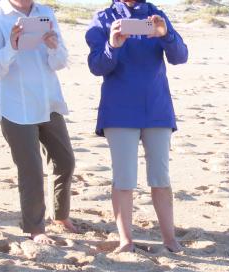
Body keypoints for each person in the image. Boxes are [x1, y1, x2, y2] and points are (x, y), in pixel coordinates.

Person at [85, 0, 187, 253]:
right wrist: (112, 45)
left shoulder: (156, 15)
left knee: (160, 177)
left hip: (157, 109)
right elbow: (97, 67)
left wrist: (165, 34)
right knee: (124, 178)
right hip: (119, 111)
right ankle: (125, 240)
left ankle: (170, 239)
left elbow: (180, 57)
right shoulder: (103, 19)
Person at [0, 0, 76, 244]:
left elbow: (60, 62)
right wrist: (11, 47)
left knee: (65, 161)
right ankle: (35, 228)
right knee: (31, 169)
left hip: (48, 101)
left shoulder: (46, 12)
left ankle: (60, 215)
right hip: (15, 105)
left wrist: (54, 47)